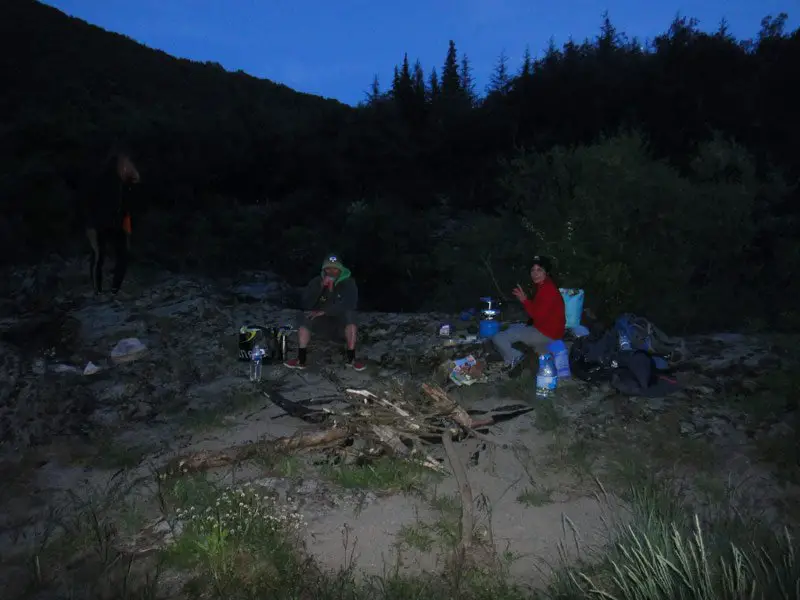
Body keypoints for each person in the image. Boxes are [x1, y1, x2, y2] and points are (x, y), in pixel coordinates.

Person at [284, 254, 366, 371]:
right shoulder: (316, 282)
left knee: (350, 315)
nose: (331, 272)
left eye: (335, 268)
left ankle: (351, 358)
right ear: (323, 269)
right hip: (321, 325)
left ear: (340, 269)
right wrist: (322, 288)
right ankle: (301, 359)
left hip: (340, 325)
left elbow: (349, 303)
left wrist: (325, 310)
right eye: (328, 268)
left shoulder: (349, 283)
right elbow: (306, 303)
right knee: (305, 316)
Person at [84, 146, 140, 296]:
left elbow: (129, 201)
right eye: (125, 162)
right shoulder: (104, 178)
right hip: (98, 223)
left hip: (117, 224)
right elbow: (90, 200)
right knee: (98, 257)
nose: (128, 165)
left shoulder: (125, 183)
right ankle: (98, 293)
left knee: (123, 256)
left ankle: (114, 292)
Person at [492, 255, 566, 370]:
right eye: (533, 270)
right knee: (514, 327)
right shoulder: (544, 285)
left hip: (546, 334)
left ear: (546, 272)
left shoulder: (548, 290)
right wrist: (526, 301)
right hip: (548, 331)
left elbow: (536, 316)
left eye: (539, 270)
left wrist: (524, 301)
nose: (535, 273)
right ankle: (523, 354)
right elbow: (539, 311)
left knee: (498, 337)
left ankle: (516, 358)